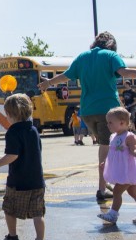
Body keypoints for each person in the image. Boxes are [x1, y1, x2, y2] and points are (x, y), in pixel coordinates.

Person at [38, 32, 136, 201]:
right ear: (112, 44)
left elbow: (65, 76)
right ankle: (101, 188)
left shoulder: (82, 57)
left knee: (109, 147)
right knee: (106, 149)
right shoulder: (111, 56)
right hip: (108, 111)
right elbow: (124, 72)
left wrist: (48, 83)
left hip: (87, 111)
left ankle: (106, 183)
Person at [0, 93, 49, 240]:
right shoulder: (34, 130)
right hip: (37, 180)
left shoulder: (13, 132)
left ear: (9, 114)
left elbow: (12, 155)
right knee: (38, 213)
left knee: (9, 208)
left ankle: (13, 236)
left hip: (18, 181)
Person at [97, 107, 136, 225]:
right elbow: (112, 152)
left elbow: (133, 151)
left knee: (116, 192)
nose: (108, 125)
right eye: (107, 122)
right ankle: (113, 214)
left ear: (122, 122)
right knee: (133, 192)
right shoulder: (113, 136)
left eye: (110, 122)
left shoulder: (129, 136)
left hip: (128, 171)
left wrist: (133, 151)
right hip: (121, 170)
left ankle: (113, 214)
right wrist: (106, 162)